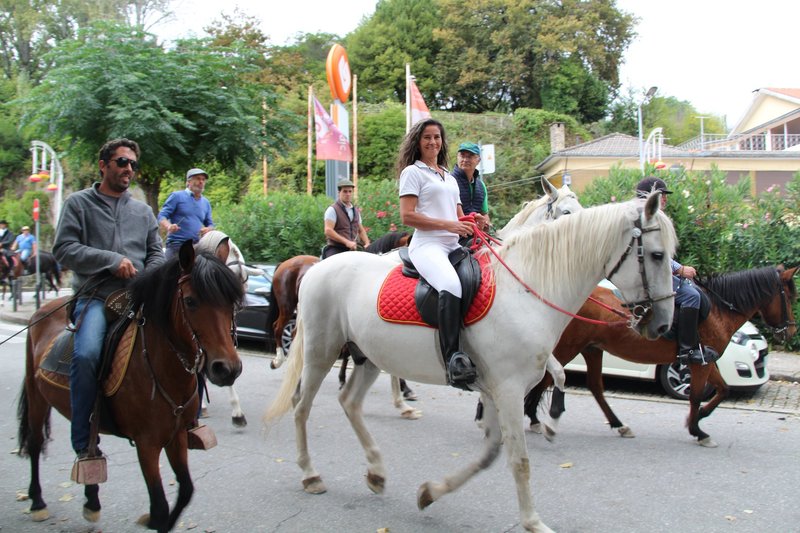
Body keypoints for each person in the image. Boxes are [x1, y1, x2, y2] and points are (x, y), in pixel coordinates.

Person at [54, 138, 165, 459]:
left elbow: (155, 253)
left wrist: (150, 277)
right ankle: (84, 442)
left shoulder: (143, 211)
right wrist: (111, 260)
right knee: (87, 354)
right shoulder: (78, 204)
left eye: (132, 163)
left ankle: (187, 420)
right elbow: (64, 249)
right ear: (103, 165)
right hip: (96, 298)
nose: (128, 168)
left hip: (138, 299)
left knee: (186, 336)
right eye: (121, 162)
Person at [397, 118, 477, 389]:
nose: (433, 142)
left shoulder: (447, 175)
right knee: (451, 285)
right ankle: (453, 357)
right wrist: (451, 225)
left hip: (453, 245)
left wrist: (471, 221)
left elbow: (457, 216)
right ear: (418, 142)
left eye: (437, 137)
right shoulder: (413, 172)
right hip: (427, 245)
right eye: (427, 137)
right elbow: (407, 216)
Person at [635, 176, 717, 365]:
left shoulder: (650, 216)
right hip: (651, 275)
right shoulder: (647, 218)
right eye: (662, 195)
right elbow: (654, 252)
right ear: (650, 196)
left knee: (694, 291)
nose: (665, 199)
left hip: (656, 271)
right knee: (692, 297)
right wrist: (679, 269)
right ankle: (686, 351)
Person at [158, 168, 214, 260]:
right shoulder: (177, 196)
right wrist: (169, 226)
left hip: (196, 247)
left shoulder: (206, 202)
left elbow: (211, 224)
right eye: (198, 178)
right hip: (177, 245)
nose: (201, 182)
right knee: (168, 273)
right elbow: (162, 216)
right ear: (188, 182)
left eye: (203, 180)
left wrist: (208, 229)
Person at [322, 179, 370, 259]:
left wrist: (367, 243)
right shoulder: (332, 209)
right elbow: (328, 230)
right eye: (345, 191)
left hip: (352, 250)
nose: (348, 194)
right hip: (335, 249)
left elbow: (360, 230)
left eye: (350, 191)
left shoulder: (356, 211)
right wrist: (346, 242)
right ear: (339, 193)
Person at [452, 142, 490, 230]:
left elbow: (484, 213)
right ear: (457, 157)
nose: (465, 159)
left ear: (478, 160)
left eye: (469, 156)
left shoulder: (481, 186)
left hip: (476, 234)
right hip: (454, 234)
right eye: (462, 155)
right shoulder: (449, 181)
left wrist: (486, 224)